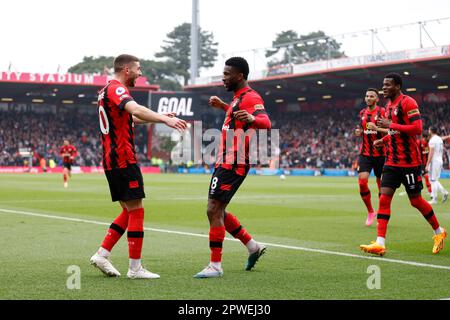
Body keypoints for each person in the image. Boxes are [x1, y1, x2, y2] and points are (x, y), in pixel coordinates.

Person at [89, 54, 187, 279]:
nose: (140, 74)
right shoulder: (117, 90)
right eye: (138, 69)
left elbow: (130, 119)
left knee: (128, 210)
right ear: (126, 69)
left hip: (112, 159)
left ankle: (102, 254)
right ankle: (135, 268)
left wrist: (159, 116)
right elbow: (136, 110)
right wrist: (166, 120)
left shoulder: (104, 91)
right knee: (137, 210)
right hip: (123, 158)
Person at [194, 57, 272, 278]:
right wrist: (224, 107)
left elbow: (265, 122)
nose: (223, 77)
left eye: (227, 74)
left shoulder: (251, 97)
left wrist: (252, 118)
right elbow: (239, 116)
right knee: (219, 210)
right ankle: (252, 246)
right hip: (225, 159)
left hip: (234, 160)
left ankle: (215, 266)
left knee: (212, 209)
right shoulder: (238, 99)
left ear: (240, 76)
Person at [360, 73, 446, 256]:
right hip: (391, 160)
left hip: (409, 162)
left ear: (398, 86)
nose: (384, 88)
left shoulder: (408, 102)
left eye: (388, 85)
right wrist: (384, 139)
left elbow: (417, 129)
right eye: (383, 85)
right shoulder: (388, 106)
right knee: (384, 198)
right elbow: (394, 130)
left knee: (415, 201)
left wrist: (391, 124)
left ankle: (439, 232)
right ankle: (380, 242)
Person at [354, 88, 385, 226]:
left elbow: (391, 130)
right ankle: (371, 211)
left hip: (381, 154)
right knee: (362, 182)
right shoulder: (362, 113)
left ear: (377, 99)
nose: (368, 98)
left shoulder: (382, 112)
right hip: (365, 153)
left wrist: (377, 129)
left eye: (372, 96)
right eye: (367, 96)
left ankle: (382, 213)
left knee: (382, 187)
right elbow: (362, 130)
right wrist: (359, 132)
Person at [426, 126, 448, 204]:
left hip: (434, 161)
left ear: (431, 131)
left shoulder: (432, 140)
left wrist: (427, 164)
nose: (428, 131)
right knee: (434, 180)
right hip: (439, 160)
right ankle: (444, 193)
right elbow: (443, 139)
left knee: (432, 180)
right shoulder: (439, 139)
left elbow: (431, 153)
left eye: (429, 129)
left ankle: (434, 199)